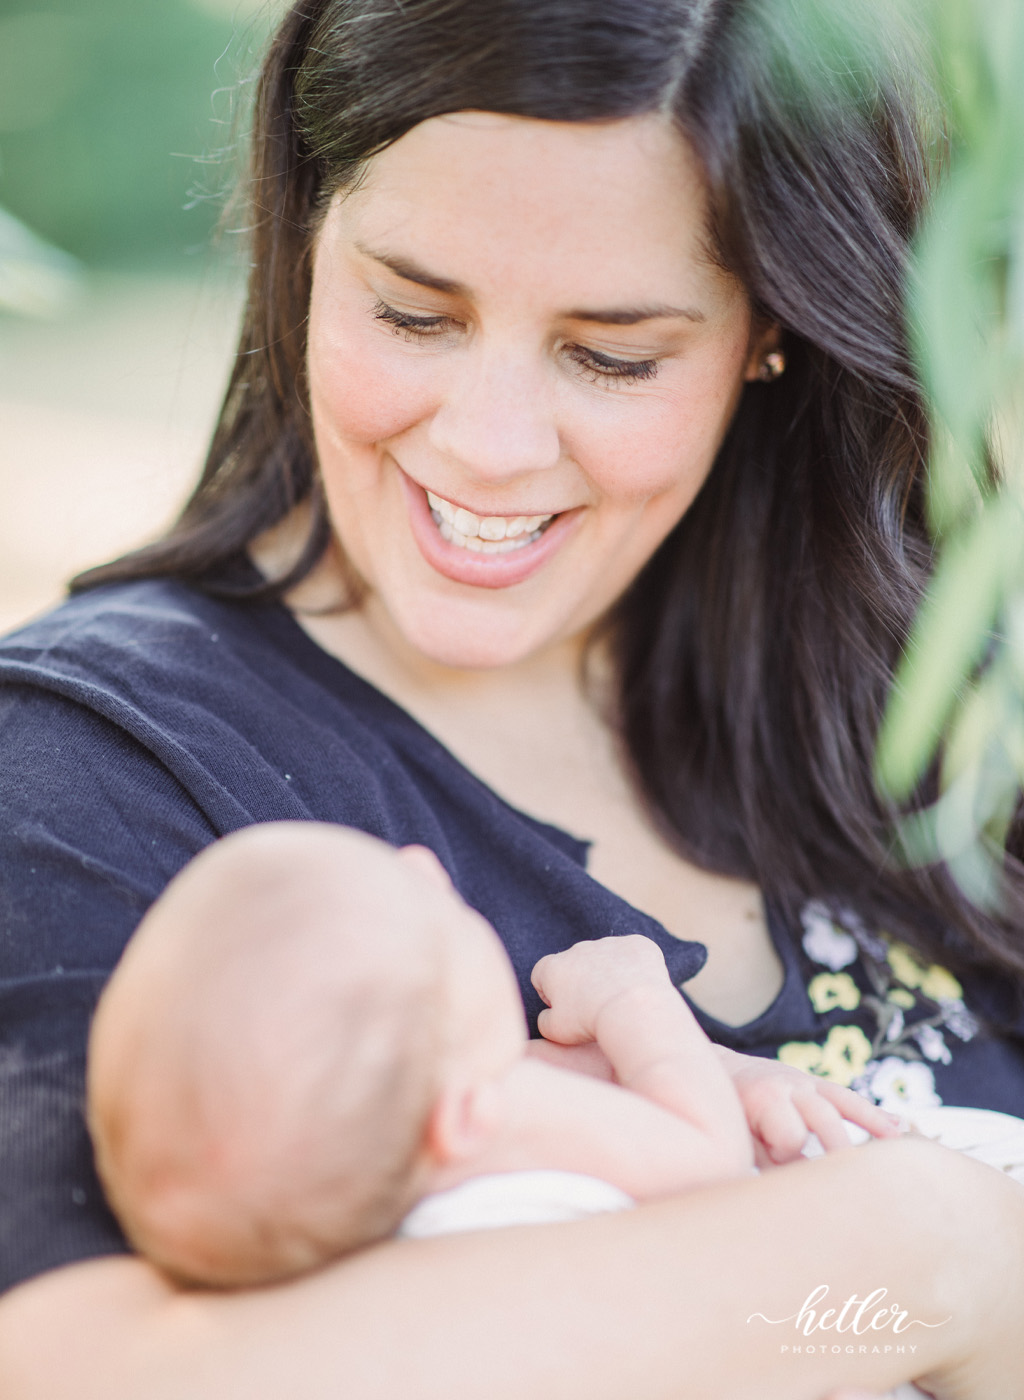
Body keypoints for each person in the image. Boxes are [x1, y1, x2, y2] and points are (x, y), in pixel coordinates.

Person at [1, 0, 1023, 1396]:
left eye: (612, 354)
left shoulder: (936, 701)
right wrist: (925, 1256)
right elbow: (75, 1372)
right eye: (413, 312)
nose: (485, 446)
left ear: (771, 327)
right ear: (306, 246)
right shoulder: (86, 768)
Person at [86, 822, 901, 1289]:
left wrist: (736, 1075)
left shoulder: (395, 1162)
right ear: (464, 1116)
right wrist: (634, 999)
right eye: (430, 911)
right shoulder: (507, 1133)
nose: (424, 863)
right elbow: (705, 1161)